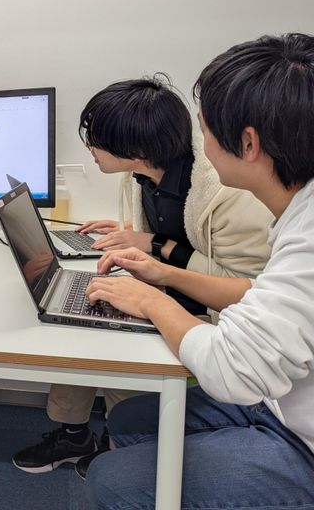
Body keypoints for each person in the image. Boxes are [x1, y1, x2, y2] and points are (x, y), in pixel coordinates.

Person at [84, 33, 314, 508]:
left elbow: (232, 368)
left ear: (247, 143)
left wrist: (152, 300)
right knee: (127, 421)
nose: (197, 143)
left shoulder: (291, 228)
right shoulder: (297, 211)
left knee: (110, 479)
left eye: (205, 128)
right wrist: (161, 274)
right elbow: (262, 295)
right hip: (282, 398)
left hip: (300, 435)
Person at [12, 76, 273, 474]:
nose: (90, 148)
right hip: (163, 285)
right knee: (77, 312)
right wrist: (126, 231)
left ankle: (123, 447)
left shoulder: (225, 192)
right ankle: (75, 433)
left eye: (96, 139)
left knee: (105, 330)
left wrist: (155, 248)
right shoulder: (141, 174)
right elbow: (165, 230)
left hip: (211, 312)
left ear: (135, 149)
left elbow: (244, 286)